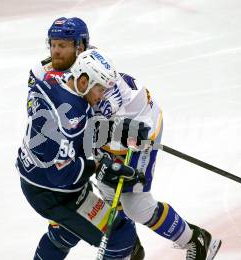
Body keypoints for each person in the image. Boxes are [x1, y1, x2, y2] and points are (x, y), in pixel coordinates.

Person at [92, 52, 222, 260]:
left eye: (63, 45)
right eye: (53, 45)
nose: (56, 51)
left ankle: (196, 240)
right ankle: (129, 248)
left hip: (139, 130)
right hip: (114, 132)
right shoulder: (74, 70)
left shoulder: (101, 82)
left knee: (137, 206)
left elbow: (116, 128)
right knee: (108, 189)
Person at [16, 49, 145, 260]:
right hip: (52, 193)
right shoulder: (71, 116)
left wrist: (117, 128)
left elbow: (76, 132)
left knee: (66, 233)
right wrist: (99, 166)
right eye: (100, 89)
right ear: (84, 81)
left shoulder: (55, 83)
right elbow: (61, 173)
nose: (102, 96)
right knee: (121, 235)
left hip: (34, 176)